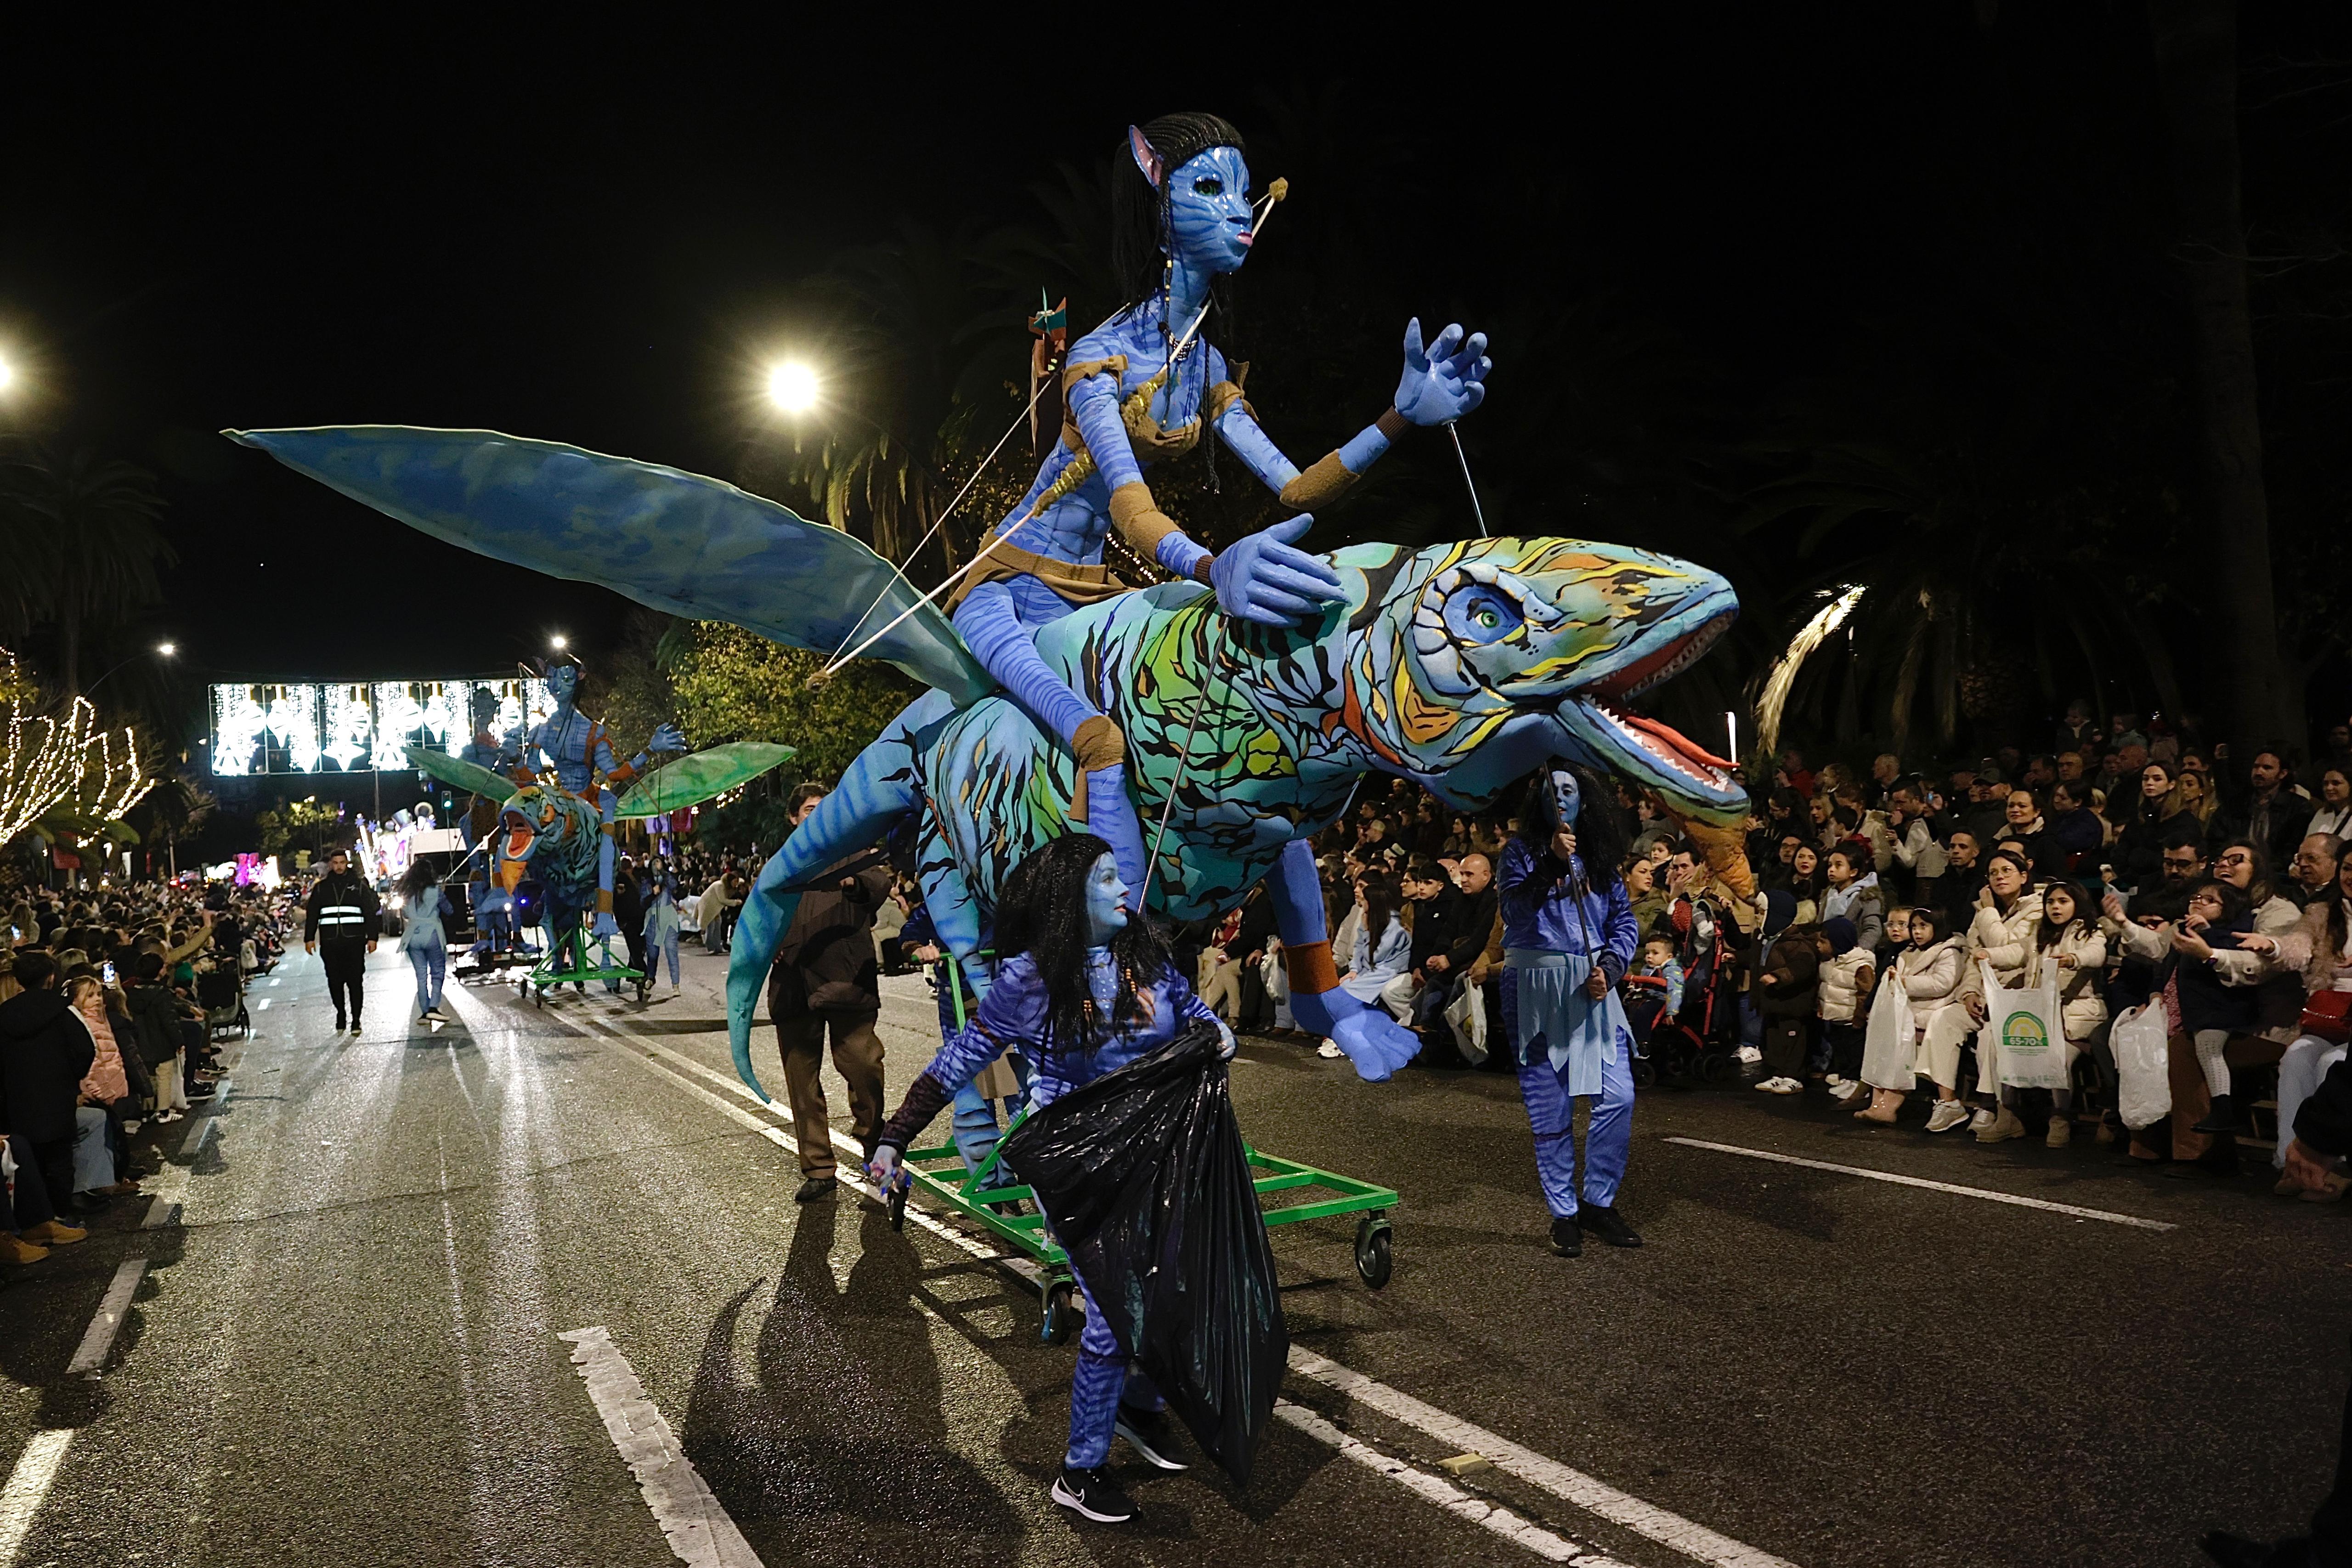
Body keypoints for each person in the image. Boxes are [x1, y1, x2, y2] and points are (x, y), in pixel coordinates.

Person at [866, 835, 1231, 1527]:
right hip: (1075, 1161)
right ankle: (1081, 1470)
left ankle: (1138, 1406)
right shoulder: (1031, 978)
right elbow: (961, 1057)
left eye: (1123, 874)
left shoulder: (1144, 953)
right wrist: (895, 1136)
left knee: (1173, 1286)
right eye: (1106, 878)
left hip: (1155, 1150)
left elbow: (1192, 1008)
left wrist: (1217, 1032)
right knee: (1113, 1306)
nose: (1125, 886)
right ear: (1070, 898)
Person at [1498, 764, 1641, 1256]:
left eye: (1568, 790)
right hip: (1533, 985)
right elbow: (1513, 912)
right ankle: (1563, 1212)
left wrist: (1612, 964)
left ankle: (1598, 1201)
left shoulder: (1602, 859)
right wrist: (1551, 867)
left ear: (1585, 800)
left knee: (1618, 1096)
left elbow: (1624, 921)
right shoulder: (1519, 852)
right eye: (1550, 790)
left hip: (1593, 986)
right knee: (1550, 1106)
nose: (1559, 798)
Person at [768, 786, 893, 1204]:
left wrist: (853, 880)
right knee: (802, 1084)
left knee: (864, 1066)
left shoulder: (854, 850)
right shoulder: (780, 864)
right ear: (792, 818)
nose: (815, 815)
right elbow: (759, 914)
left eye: (822, 809)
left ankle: (876, 1147)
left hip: (846, 981)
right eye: (807, 809)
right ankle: (819, 1169)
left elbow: (877, 884)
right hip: (794, 987)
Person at [0, 951, 96, 1245]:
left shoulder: (4, 1014)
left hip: (15, 1097)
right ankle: (61, 1214)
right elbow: (85, 1049)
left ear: (18, 980)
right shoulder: (62, 1010)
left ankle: (36, 1220)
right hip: (56, 1095)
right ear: (51, 977)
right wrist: (71, 1080)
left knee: (29, 1158)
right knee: (59, 1158)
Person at [2033, 880, 2107, 1148]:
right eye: (2050, 902)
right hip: (2044, 1015)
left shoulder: (2092, 931)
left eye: (2063, 901)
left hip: (2077, 1017)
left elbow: (2095, 955)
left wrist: (2073, 959)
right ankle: (2011, 1112)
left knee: (2058, 1058)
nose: (2055, 907)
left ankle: (2060, 1117)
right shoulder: (2041, 933)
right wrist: (1991, 955)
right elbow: (2018, 953)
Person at [1323, 870, 1408, 1060]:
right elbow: (1356, 947)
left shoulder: (1391, 923)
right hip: (1367, 968)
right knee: (1344, 985)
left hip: (1387, 970)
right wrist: (1353, 969)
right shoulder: (1362, 915)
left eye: (1362, 887)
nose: (1357, 891)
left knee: (1355, 991)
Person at [303, 847, 379, 1035]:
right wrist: (309, 938)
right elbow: (312, 914)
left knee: (355, 982)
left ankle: (356, 1019)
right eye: (335, 863)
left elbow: (369, 912)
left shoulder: (359, 885)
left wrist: (373, 938)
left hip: (354, 942)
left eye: (342, 863)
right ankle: (340, 1013)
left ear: (347, 864)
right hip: (330, 943)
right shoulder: (322, 888)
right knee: (334, 982)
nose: (339, 867)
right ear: (331, 865)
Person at [1816, 916, 1875, 1103]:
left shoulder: (1860, 965)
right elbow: (1825, 987)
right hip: (1836, 1018)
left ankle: (1856, 1082)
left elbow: (1864, 994)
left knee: (1854, 1052)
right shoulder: (1829, 962)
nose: (1818, 945)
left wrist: (1860, 1017)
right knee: (1840, 1049)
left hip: (1852, 1020)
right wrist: (1821, 1007)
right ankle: (1846, 1078)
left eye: (1823, 942)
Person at [394, 860, 452, 1029]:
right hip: (432, 933)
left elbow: (405, 913)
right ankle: (434, 1007)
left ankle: (425, 1011)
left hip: (413, 935)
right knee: (438, 971)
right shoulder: (435, 891)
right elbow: (449, 910)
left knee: (421, 975)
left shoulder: (406, 892)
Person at [642, 862, 683, 991]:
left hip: (668, 918)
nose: (657, 866)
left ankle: (676, 985)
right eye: (654, 863)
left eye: (659, 863)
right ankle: (651, 977)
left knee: (671, 952)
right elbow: (643, 902)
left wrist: (664, 873)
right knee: (653, 954)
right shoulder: (646, 884)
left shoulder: (668, 881)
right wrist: (653, 894)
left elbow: (675, 885)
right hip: (652, 920)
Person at [2311, 767, 2352, 843]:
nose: (2329, 788)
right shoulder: (2321, 814)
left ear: (2350, 786)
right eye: (2326, 784)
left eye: (2336, 783)